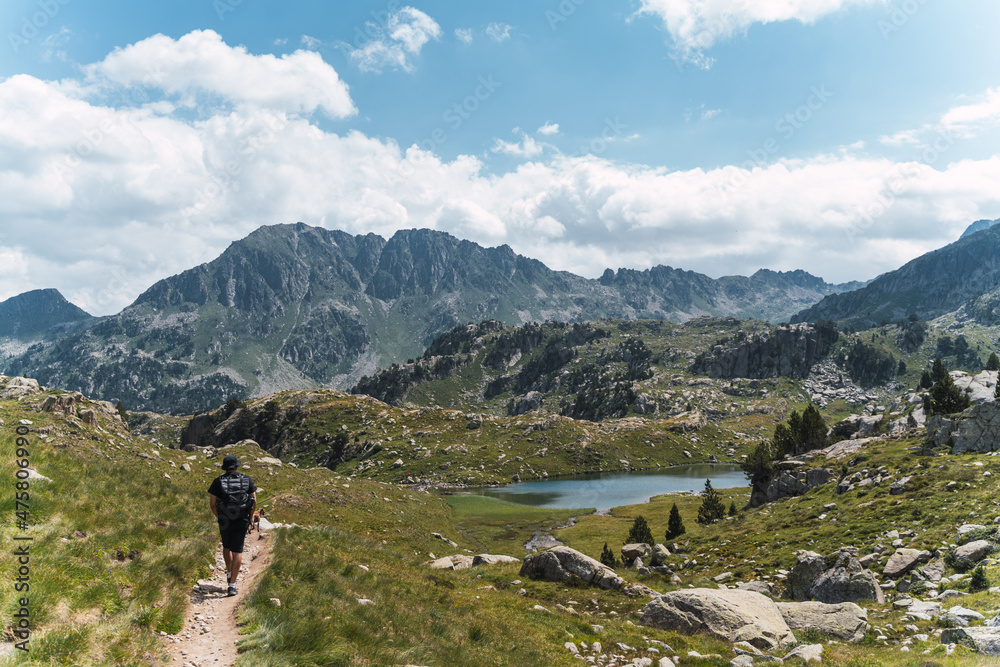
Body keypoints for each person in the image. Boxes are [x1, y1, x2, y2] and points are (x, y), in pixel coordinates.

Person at [208, 454, 257, 596]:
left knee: (226, 547)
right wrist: (250, 517)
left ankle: (229, 572)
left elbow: (212, 504)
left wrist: (220, 517)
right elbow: (253, 500)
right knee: (238, 551)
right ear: (236, 466)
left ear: (225, 468)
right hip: (242, 519)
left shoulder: (218, 481)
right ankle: (232, 585)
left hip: (225, 520)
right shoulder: (246, 479)